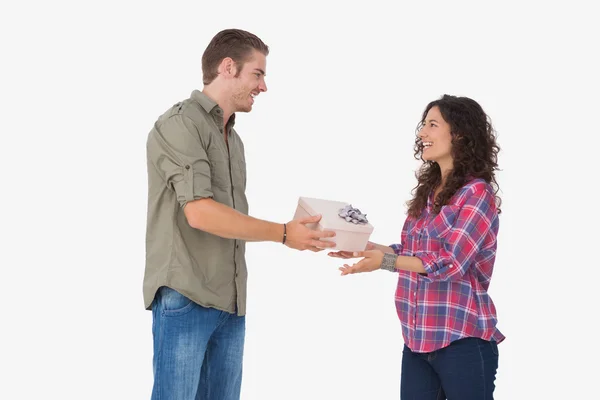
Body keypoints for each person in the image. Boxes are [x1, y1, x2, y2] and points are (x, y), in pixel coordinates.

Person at [144, 28, 336, 400]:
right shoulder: (180, 124)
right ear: (228, 67)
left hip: (230, 303)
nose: (263, 86)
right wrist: (283, 233)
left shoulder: (233, 139)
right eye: (258, 73)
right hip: (187, 296)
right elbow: (199, 213)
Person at [329, 94, 504, 399]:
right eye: (423, 125)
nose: (422, 133)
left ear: (460, 134)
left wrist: (383, 262)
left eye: (432, 125)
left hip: (461, 341)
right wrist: (363, 247)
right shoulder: (428, 194)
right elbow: (412, 252)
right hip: (417, 341)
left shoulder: (477, 194)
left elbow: (451, 262)